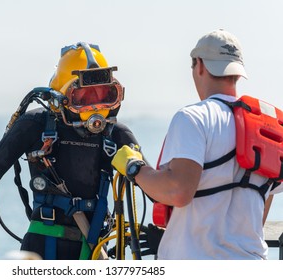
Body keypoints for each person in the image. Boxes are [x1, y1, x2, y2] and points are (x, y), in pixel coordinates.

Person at [0, 42, 142, 260]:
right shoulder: (35, 125)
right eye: (84, 98)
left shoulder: (116, 135)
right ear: (62, 98)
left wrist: (137, 169)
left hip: (93, 248)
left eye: (104, 96)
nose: (95, 108)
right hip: (41, 247)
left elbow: (156, 188)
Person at [112, 29, 283, 259]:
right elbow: (263, 201)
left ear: (200, 65)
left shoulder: (193, 118)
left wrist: (134, 168)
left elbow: (178, 190)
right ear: (238, 73)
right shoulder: (269, 127)